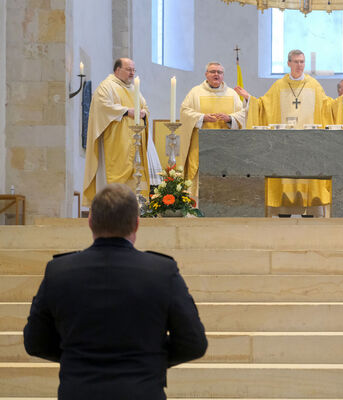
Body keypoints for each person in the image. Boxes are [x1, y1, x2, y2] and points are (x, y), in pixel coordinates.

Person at [23, 183, 208, 400]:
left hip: (80, 391)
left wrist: (75, 357)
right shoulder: (161, 272)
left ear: (90, 222)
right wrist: (150, 360)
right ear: (137, 224)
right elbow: (194, 343)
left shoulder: (59, 271)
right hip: (141, 391)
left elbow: (35, 342)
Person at [234, 49, 343, 217]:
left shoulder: (314, 85)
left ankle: (310, 211)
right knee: (286, 178)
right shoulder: (279, 86)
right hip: (284, 145)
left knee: (308, 176)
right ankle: (284, 211)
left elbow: (327, 107)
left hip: (309, 144)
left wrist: (341, 99)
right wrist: (249, 99)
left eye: (302, 62)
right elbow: (263, 106)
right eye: (296, 62)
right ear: (289, 63)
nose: (300, 65)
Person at [83, 58, 159, 206]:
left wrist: (143, 113)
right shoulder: (107, 86)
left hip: (136, 142)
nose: (132, 73)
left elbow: (145, 108)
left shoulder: (134, 89)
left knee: (136, 173)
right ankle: (114, 205)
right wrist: (126, 111)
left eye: (133, 70)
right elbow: (102, 106)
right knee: (117, 176)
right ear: (117, 70)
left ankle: (137, 206)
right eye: (128, 69)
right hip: (117, 142)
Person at [179, 62, 246, 196]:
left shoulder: (232, 94)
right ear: (206, 74)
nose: (216, 74)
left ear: (223, 75)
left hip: (226, 148)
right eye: (213, 71)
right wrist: (202, 117)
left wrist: (229, 118)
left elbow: (243, 114)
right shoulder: (195, 92)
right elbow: (184, 112)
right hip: (200, 147)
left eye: (219, 72)